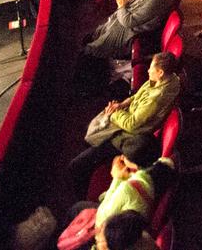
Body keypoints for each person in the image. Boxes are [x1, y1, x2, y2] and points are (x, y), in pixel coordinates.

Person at [70, 52, 181, 193]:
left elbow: (132, 124)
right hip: (129, 121)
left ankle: (83, 196)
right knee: (91, 132)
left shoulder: (156, 98)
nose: (147, 70)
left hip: (129, 134)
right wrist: (121, 105)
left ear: (160, 72)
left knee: (76, 166)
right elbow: (137, 96)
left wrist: (114, 114)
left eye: (151, 68)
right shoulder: (169, 79)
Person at [82, 0, 177, 60]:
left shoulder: (156, 2)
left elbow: (128, 22)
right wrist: (124, 2)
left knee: (98, 45)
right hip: (127, 22)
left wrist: (121, 6)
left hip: (132, 31)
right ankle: (95, 39)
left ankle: (92, 51)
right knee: (104, 28)